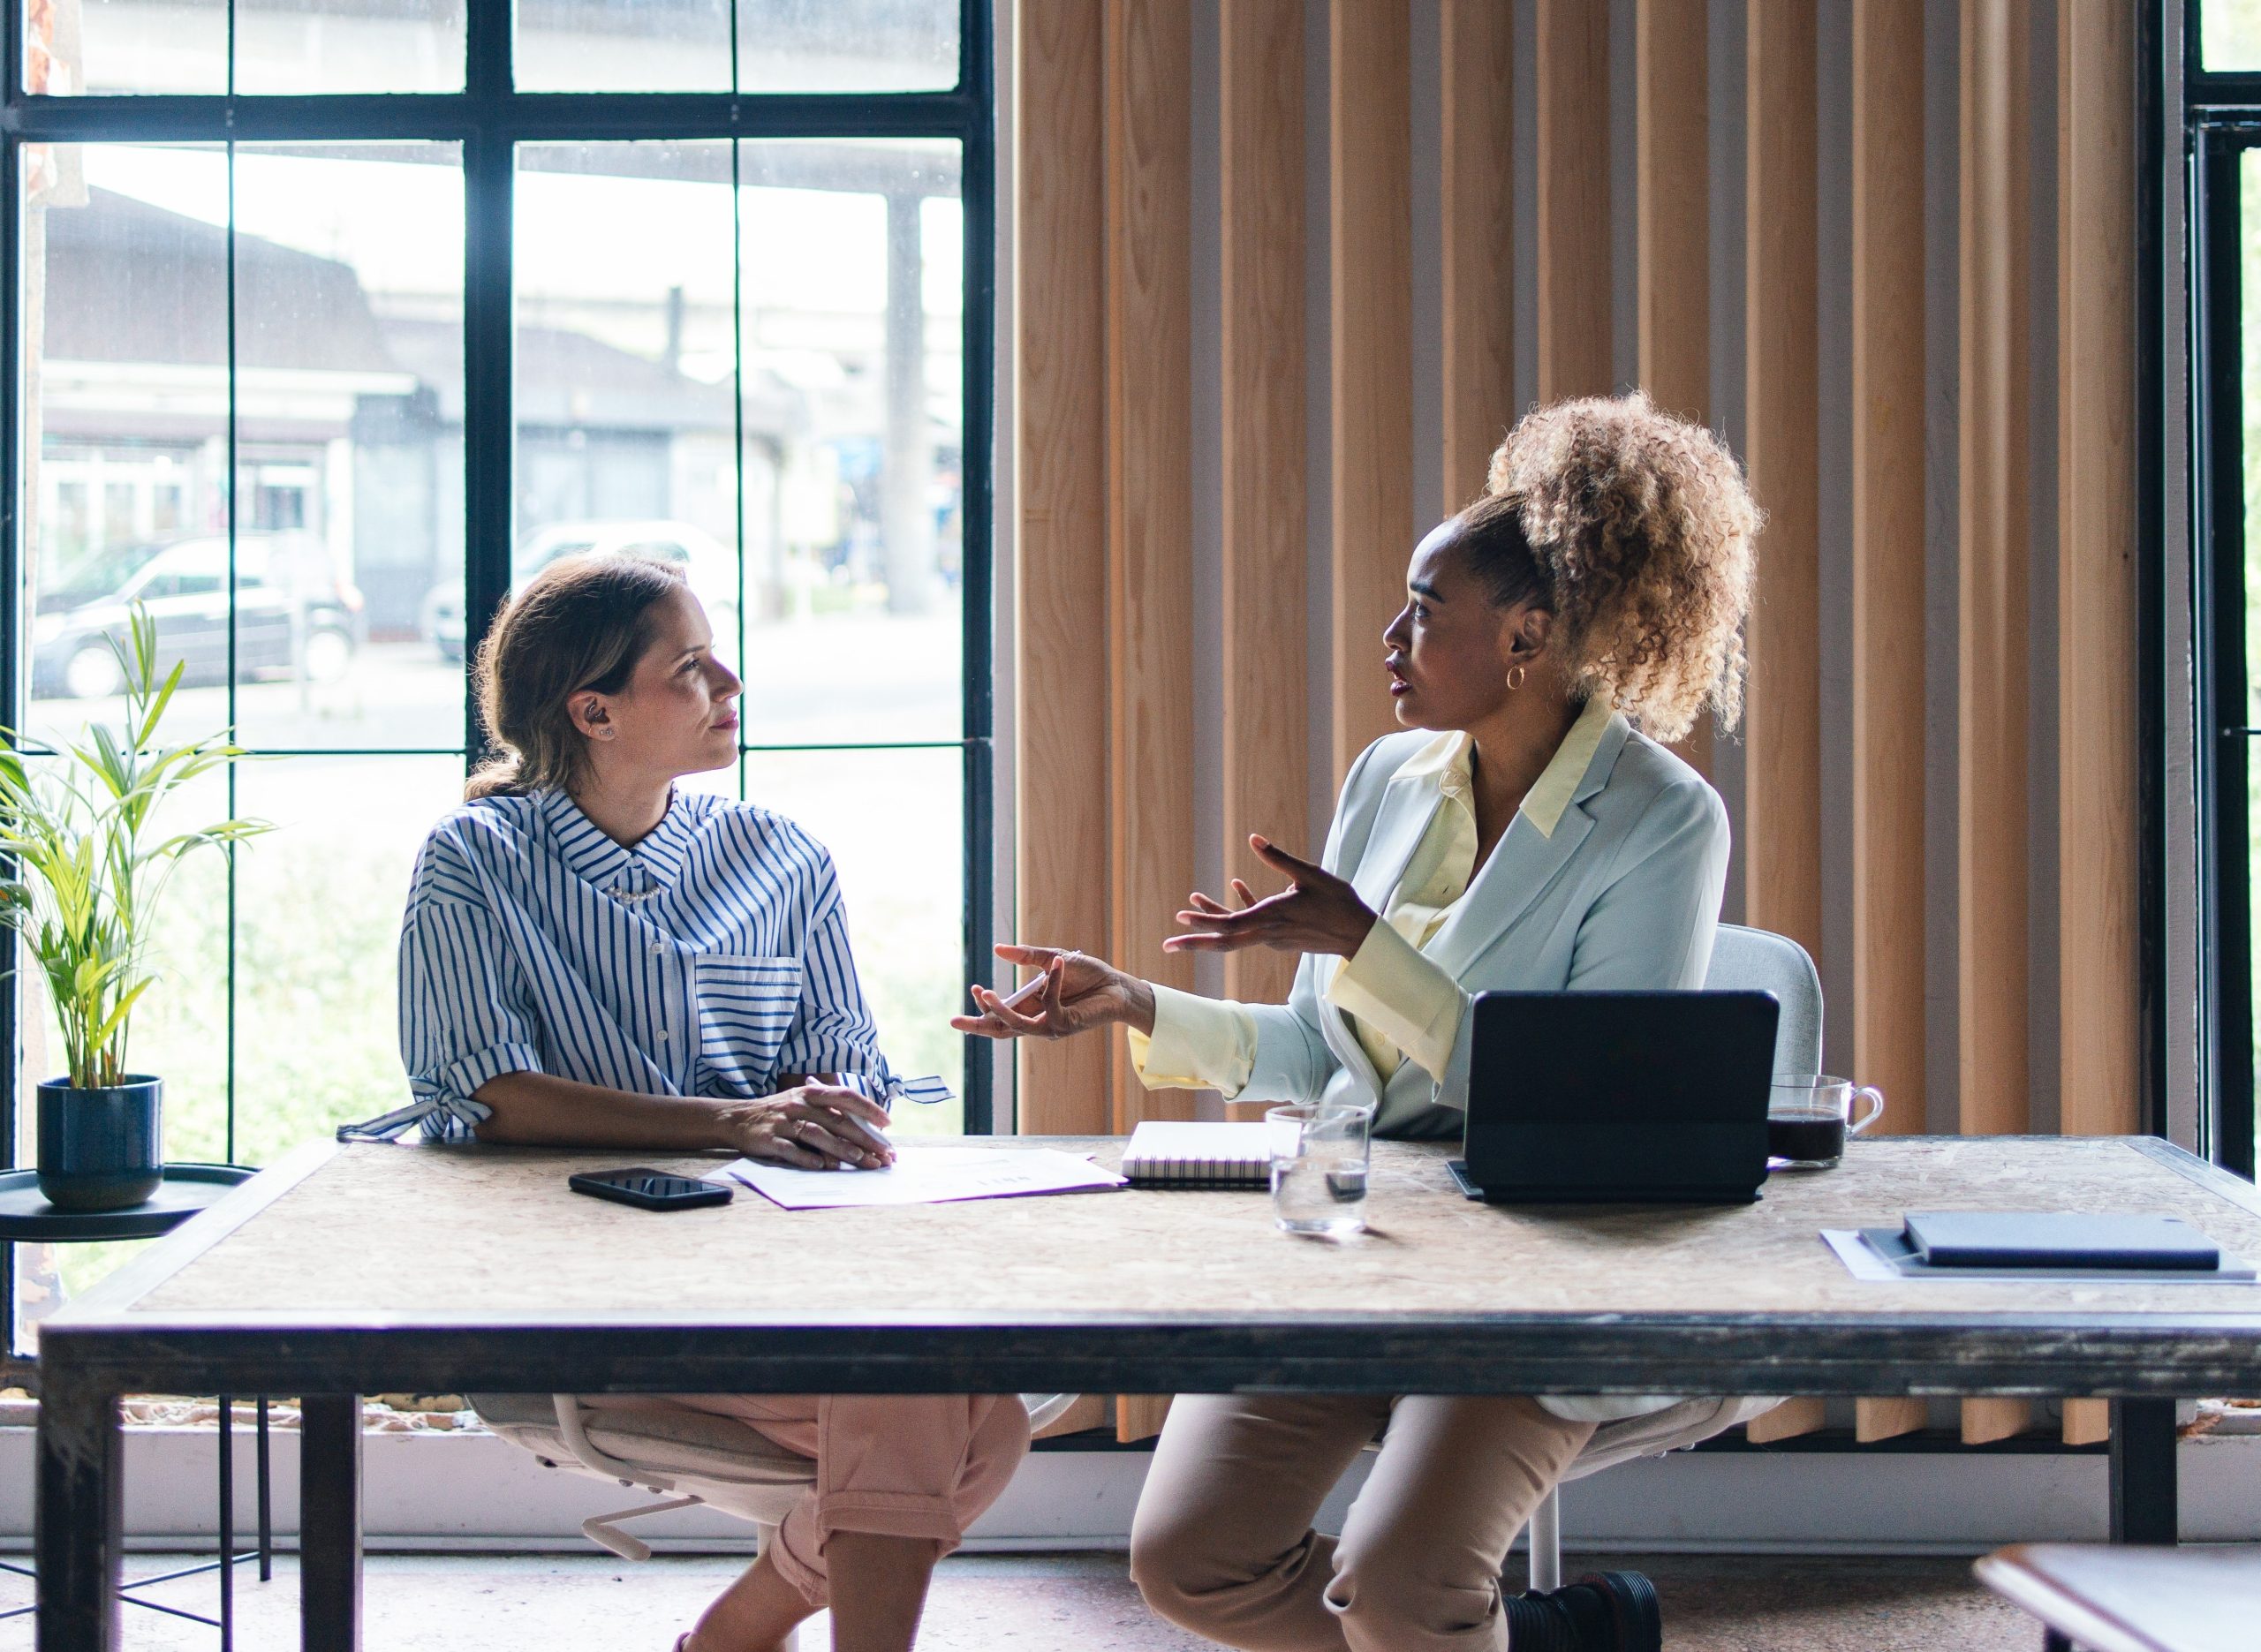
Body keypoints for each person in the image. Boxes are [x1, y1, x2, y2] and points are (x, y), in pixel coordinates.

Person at [953, 392, 1761, 1652]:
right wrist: (1139, 1001)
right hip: (1357, 1230)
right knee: (1190, 1559)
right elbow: (1323, 1056)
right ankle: (1532, 1634)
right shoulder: (1389, 776)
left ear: (1529, 636)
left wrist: (1366, 946)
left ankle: (1459, 1623)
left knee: (1400, 1582)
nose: (1392, 636)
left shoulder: (1663, 819)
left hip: (1539, 1266)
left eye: (1427, 611)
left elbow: (1582, 1101)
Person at [359, 552, 1025, 1652]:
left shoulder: (781, 855)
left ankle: (726, 1640)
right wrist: (734, 1121)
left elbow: (846, 1066)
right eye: (692, 667)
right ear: (594, 711)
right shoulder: (474, 861)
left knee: (977, 1421)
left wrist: (832, 1111)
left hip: (781, 1274)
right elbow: (482, 1095)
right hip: (579, 1299)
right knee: (937, 1403)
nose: (731, 684)